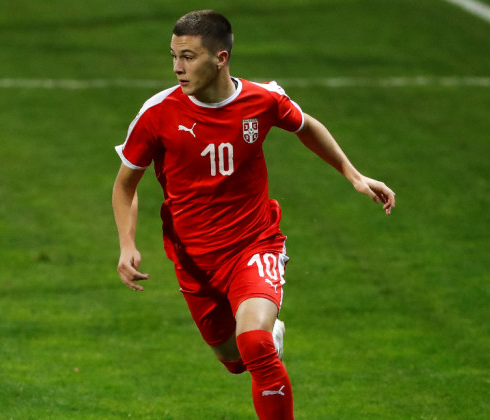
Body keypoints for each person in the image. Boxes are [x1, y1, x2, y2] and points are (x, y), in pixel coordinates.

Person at [112, 10, 395, 419]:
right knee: (233, 358)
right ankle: (267, 336)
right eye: (174, 56)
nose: (177, 67)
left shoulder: (261, 100)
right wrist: (126, 244)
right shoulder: (158, 113)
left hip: (253, 244)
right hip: (194, 258)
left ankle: (263, 338)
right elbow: (125, 185)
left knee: (254, 346)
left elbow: (305, 125)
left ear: (221, 58)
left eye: (189, 57)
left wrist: (353, 175)